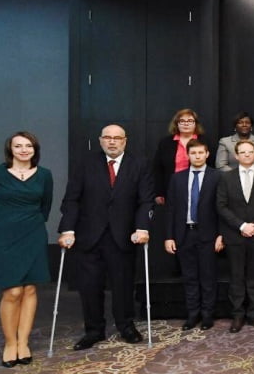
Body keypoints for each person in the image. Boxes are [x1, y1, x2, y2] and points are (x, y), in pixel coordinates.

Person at [57, 124, 154, 350]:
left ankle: (126, 326)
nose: (112, 142)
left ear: (125, 141)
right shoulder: (86, 163)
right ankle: (94, 330)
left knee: (123, 285)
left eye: (117, 138)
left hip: (123, 236)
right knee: (90, 286)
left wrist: (142, 227)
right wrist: (67, 229)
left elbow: (146, 200)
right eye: (107, 138)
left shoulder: (139, 164)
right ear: (100, 140)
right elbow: (72, 198)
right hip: (89, 236)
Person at [0, 132, 52, 366]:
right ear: (10, 149)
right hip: (4, 236)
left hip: (33, 234)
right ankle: (10, 343)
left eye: (28, 145)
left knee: (29, 289)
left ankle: (23, 342)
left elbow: (45, 207)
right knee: (12, 292)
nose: (23, 150)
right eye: (18, 146)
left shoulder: (45, 175)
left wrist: (32, 224)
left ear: (34, 149)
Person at [162, 139, 222, 332]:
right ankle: (192, 315)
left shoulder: (217, 176)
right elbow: (170, 209)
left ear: (207, 154)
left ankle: (207, 315)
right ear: (187, 155)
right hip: (184, 234)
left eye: (200, 153)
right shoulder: (177, 178)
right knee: (189, 277)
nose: (197, 156)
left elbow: (221, 208)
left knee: (207, 277)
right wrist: (169, 236)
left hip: (208, 234)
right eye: (193, 153)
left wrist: (221, 235)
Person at [216, 140, 254, 333]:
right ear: (236, 155)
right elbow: (221, 206)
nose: (247, 155)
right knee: (236, 277)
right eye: (243, 152)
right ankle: (238, 315)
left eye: (250, 152)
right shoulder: (226, 177)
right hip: (235, 234)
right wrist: (241, 225)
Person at [153, 109, 208, 206]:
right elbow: (158, 169)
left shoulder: (204, 142)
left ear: (195, 124)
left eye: (190, 121)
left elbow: (211, 167)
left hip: (198, 188)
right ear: (176, 124)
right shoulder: (165, 143)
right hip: (171, 189)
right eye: (182, 121)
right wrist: (159, 192)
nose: (186, 124)